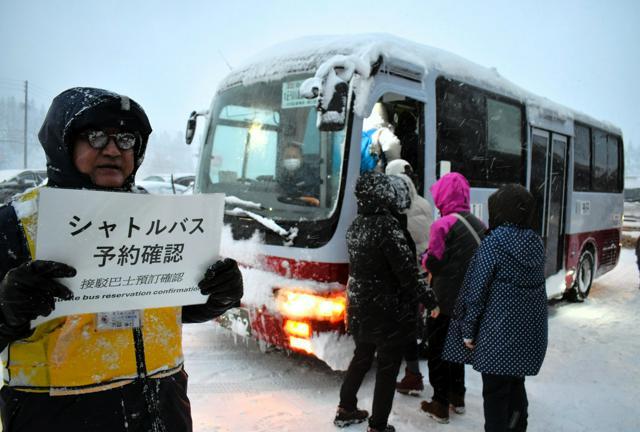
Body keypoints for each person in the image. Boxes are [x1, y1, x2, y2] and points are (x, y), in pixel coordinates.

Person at [0, 87, 243, 432]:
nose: (113, 150)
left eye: (126, 139)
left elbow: (171, 305)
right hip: (56, 414)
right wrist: (6, 310)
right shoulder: (16, 223)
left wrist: (216, 295)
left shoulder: (160, 218)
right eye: (96, 136)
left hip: (162, 406)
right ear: (63, 144)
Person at [334, 171, 437, 432]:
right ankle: (378, 425)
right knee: (388, 366)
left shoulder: (356, 225)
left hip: (359, 305)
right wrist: (429, 299)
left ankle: (345, 408)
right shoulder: (387, 226)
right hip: (386, 309)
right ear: (385, 194)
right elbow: (406, 272)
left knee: (362, 355)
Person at [442, 184, 548, 432]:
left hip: (497, 336)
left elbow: (476, 291)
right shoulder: (535, 242)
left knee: (495, 394)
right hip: (526, 335)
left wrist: (468, 330)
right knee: (515, 387)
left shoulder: (494, 243)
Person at [420, 172, 486, 424]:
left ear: (443, 195)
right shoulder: (479, 224)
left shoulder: (443, 225)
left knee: (438, 350)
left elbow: (433, 263)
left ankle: (439, 402)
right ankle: (458, 397)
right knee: (457, 349)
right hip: (467, 300)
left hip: (443, 301)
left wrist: (425, 258)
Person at [385, 159, 434, 396]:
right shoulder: (424, 204)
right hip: (419, 274)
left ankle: (399, 373)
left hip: (399, 276)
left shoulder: (394, 206)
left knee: (396, 327)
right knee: (411, 325)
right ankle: (413, 372)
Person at [360, 102, 402, 174]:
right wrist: (395, 172)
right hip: (374, 174)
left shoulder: (360, 132)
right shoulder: (382, 131)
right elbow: (392, 145)